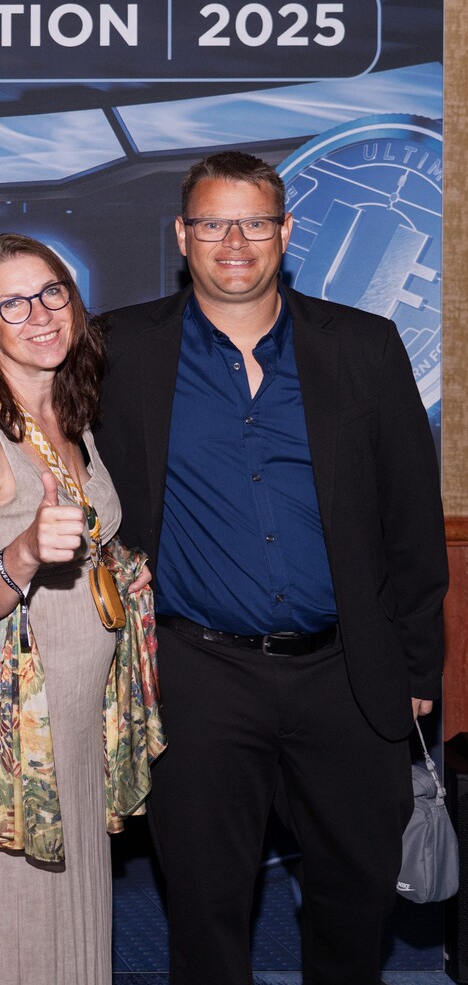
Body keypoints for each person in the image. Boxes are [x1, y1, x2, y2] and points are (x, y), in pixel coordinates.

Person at [94, 152, 447, 984]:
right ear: (182, 236)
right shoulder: (120, 348)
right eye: (214, 223)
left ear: (286, 232)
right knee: (205, 907)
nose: (234, 242)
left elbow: (411, 516)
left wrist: (416, 666)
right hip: (196, 675)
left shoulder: (362, 345)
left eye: (253, 222)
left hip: (347, 672)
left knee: (356, 897)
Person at [0, 233, 147, 983]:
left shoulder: (71, 417)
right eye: (13, 304)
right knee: (11, 931)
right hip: (8, 721)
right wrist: (24, 552)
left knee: (70, 927)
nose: (41, 313)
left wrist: (124, 572)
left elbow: (92, 545)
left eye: (52, 292)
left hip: (77, 714)